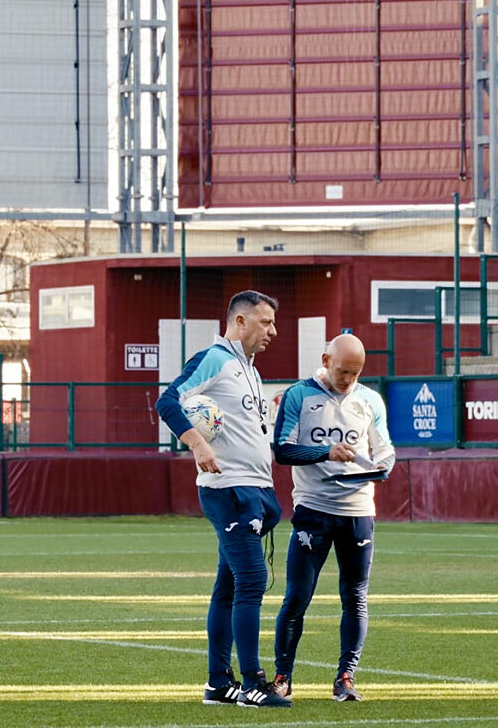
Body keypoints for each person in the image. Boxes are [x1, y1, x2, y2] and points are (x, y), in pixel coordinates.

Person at [155, 290, 292, 708]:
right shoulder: (215, 358)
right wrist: (197, 443)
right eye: (265, 322)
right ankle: (252, 683)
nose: (273, 330)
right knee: (250, 581)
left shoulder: (250, 370)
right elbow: (167, 400)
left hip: (253, 491)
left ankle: (219, 683)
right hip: (228, 489)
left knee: (229, 586)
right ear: (240, 322)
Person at [269, 333, 395, 702]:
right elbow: (283, 450)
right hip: (313, 509)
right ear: (325, 360)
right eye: (343, 371)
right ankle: (283, 677)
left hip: (358, 511)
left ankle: (346, 677)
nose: (348, 380)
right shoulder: (298, 395)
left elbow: (383, 445)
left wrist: (384, 463)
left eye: (356, 373)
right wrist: (326, 452)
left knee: (355, 597)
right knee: (297, 597)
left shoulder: (370, 399)